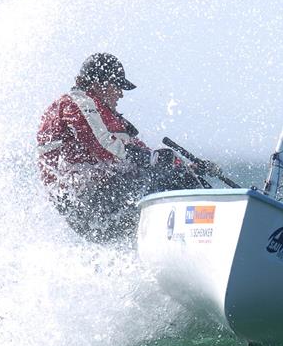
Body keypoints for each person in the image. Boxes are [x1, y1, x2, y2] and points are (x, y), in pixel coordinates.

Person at [37, 53, 201, 241]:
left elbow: (135, 150)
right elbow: (103, 145)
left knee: (175, 171)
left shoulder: (102, 114)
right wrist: (155, 160)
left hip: (98, 201)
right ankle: (205, 226)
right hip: (88, 201)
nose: (121, 94)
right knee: (169, 175)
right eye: (118, 87)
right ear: (100, 84)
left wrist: (185, 167)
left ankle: (175, 239)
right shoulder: (77, 103)